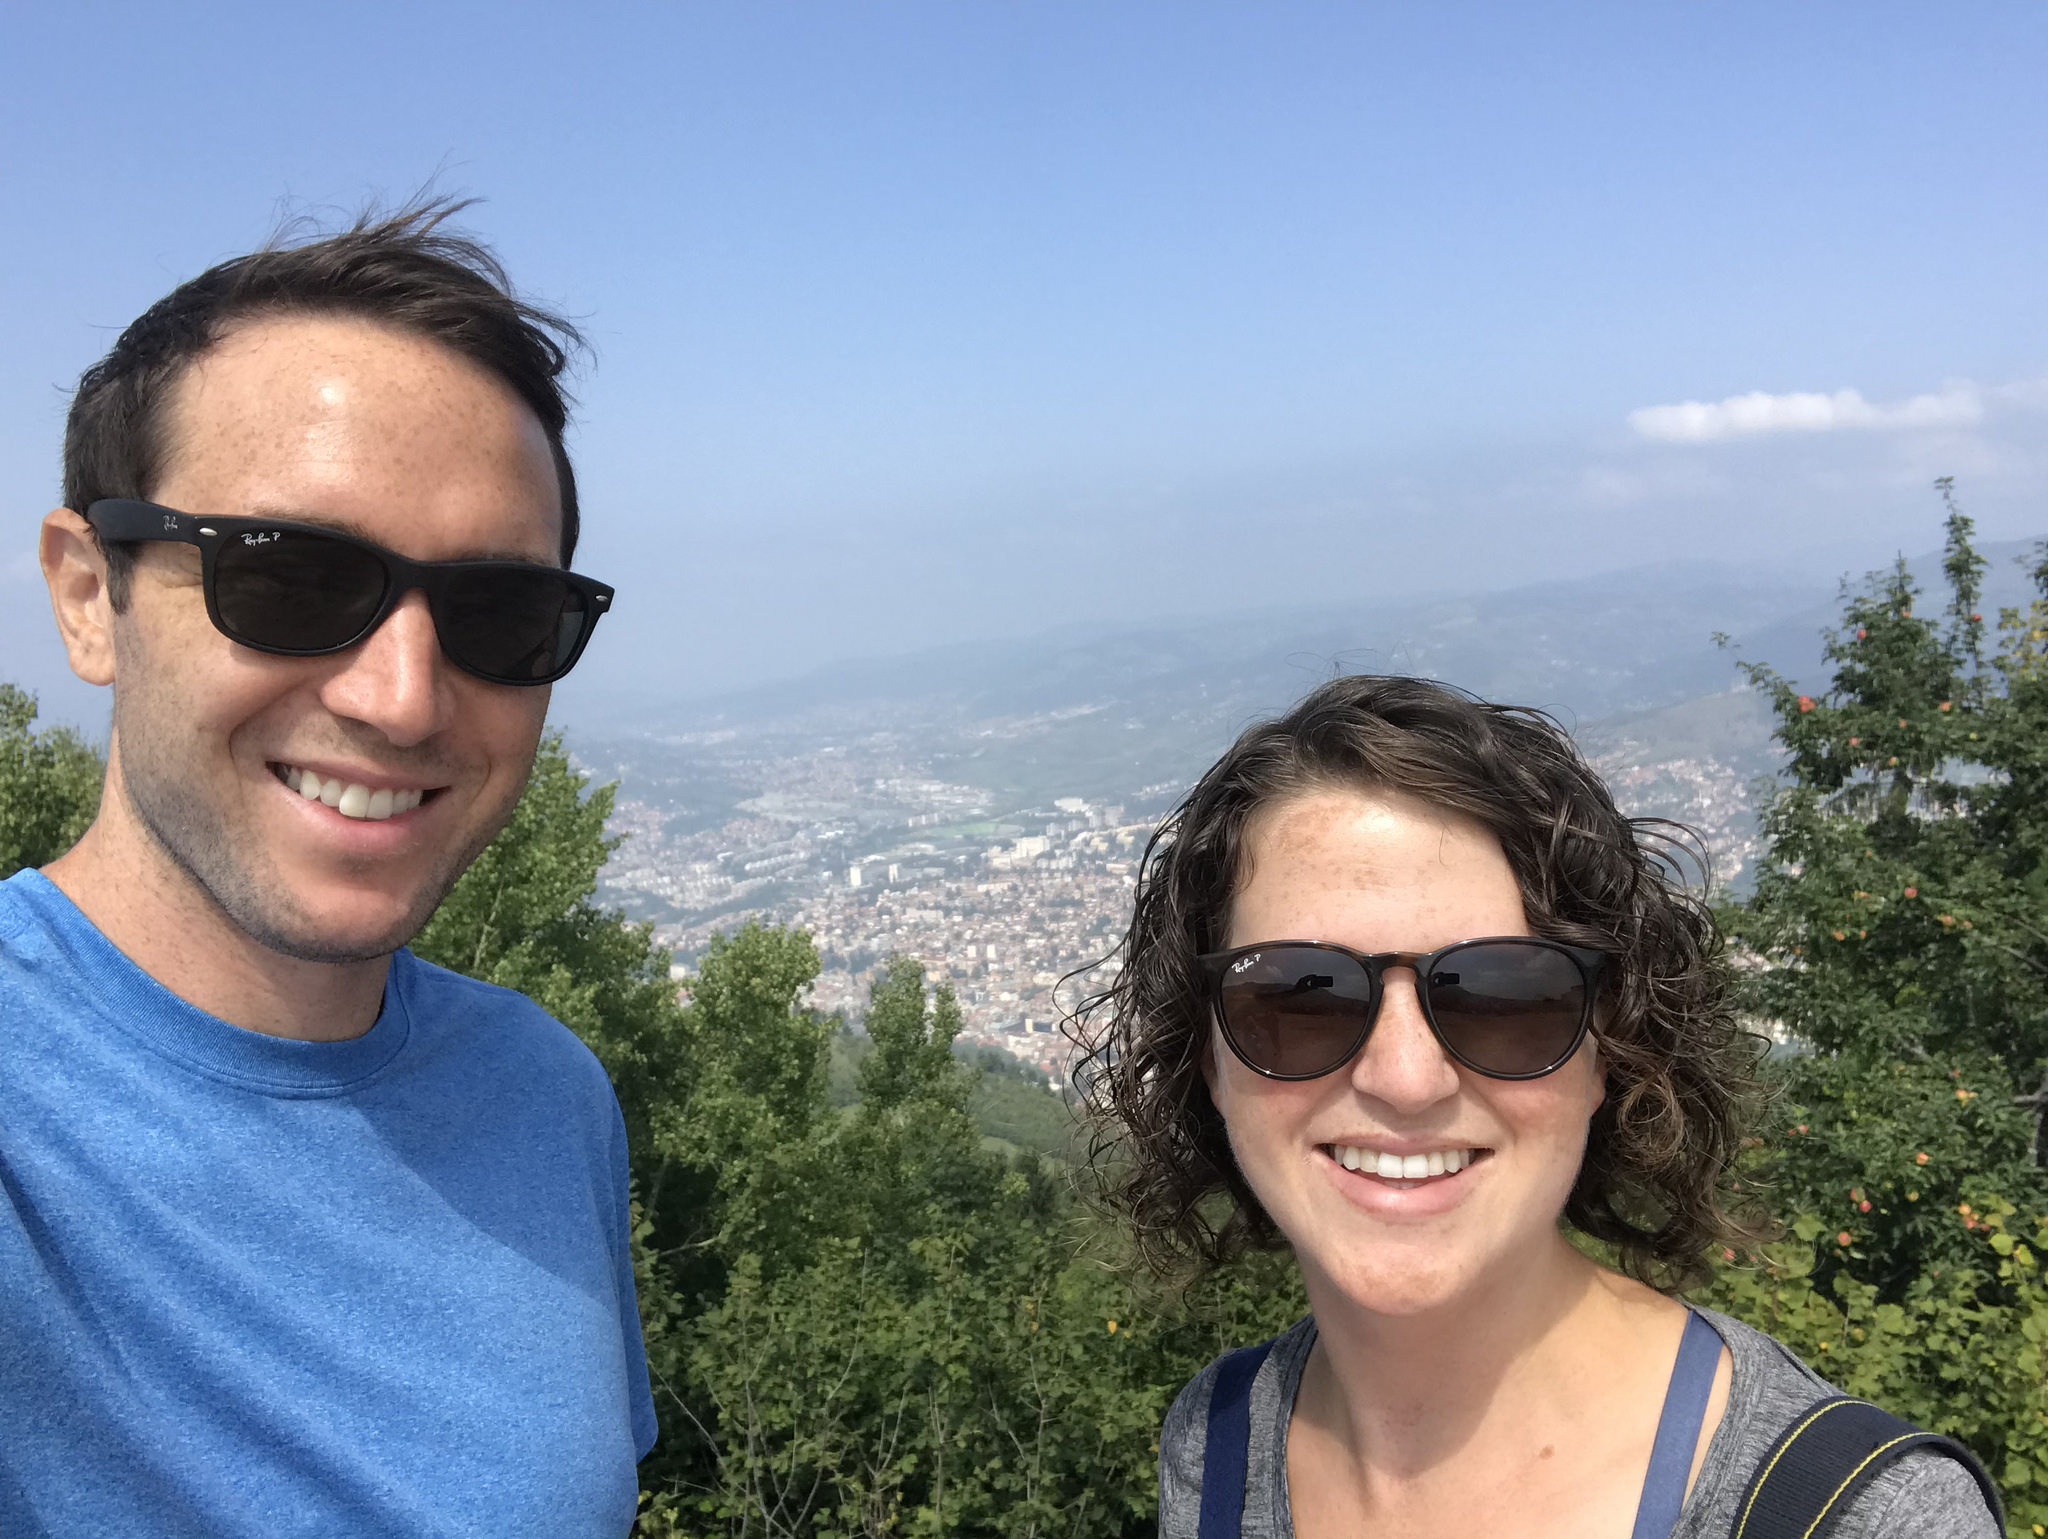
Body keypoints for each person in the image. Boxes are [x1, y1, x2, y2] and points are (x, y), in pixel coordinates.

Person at [2, 204, 656, 1536]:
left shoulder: (543, 1094)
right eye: (292, 577)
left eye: (498, 612)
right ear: (88, 593)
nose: (406, 698)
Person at [1074, 675, 2000, 1538]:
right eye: (1299, 998)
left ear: (1611, 1049)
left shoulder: (1860, 1513)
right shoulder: (1219, 1450)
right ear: (1207, 1056)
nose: (1406, 1077)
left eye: (1504, 997)